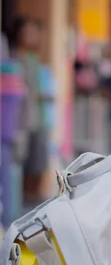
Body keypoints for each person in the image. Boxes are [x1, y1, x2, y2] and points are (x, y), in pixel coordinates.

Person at [10, 17, 51, 206]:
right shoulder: (14, 57)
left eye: (34, 32)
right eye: (27, 32)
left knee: (38, 161)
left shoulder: (34, 58)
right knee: (23, 161)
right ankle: (21, 201)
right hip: (21, 119)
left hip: (39, 118)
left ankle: (32, 200)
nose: (31, 36)